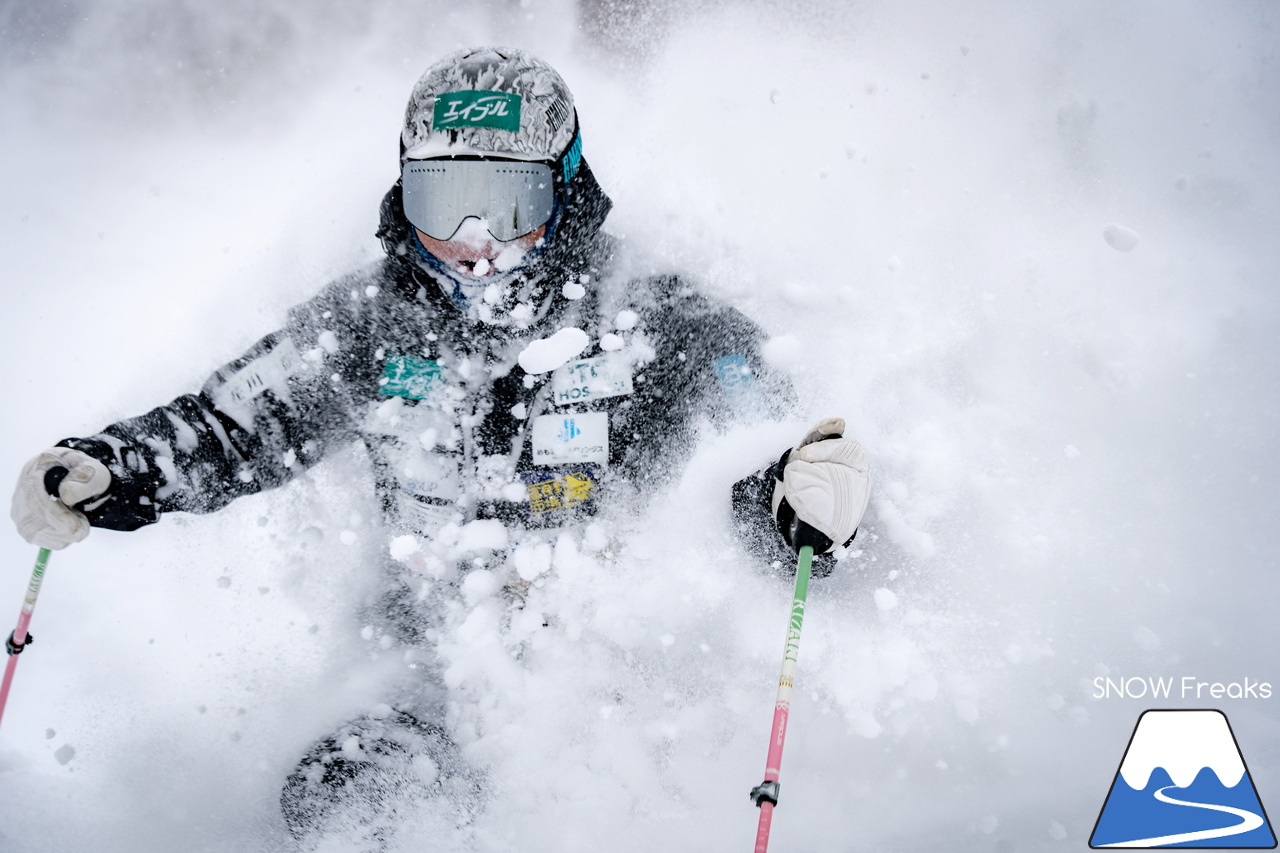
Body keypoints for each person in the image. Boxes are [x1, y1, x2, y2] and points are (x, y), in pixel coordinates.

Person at [9, 47, 871, 849]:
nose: (473, 241)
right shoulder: (368, 324)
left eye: (507, 203)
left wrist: (795, 495)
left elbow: (788, 443)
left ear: (565, 189)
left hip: (622, 691)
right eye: (438, 199)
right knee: (349, 793)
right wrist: (121, 464)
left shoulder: (659, 320)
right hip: (431, 678)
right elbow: (236, 424)